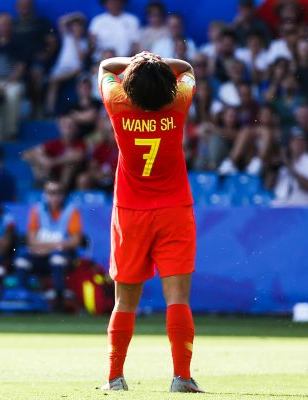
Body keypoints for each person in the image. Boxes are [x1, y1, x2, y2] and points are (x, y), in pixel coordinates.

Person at [98, 51, 203, 392]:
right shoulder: (179, 103)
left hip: (130, 213)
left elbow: (105, 67)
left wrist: (137, 60)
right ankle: (182, 377)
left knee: (124, 302)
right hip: (174, 211)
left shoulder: (117, 103)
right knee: (178, 300)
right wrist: (156, 62)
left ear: (130, 84)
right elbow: (186, 68)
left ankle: (115, 378)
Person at [13, 180, 83, 308]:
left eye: (58, 192)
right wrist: (56, 245)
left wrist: (47, 247)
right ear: (45, 194)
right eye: (51, 192)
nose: (54, 196)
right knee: (21, 260)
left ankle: (58, 302)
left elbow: (75, 241)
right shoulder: (37, 210)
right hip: (42, 255)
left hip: (62, 256)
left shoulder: (71, 211)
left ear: (63, 195)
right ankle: (25, 301)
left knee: (57, 259)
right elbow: (31, 240)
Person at [272, 126, 308, 207]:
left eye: (301, 141)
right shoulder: (285, 162)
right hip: (280, 205)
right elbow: (269, 186)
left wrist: (290, 168)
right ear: (290, 144)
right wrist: (273, 169)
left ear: (306, 144)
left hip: (302, 207)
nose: (297, 144)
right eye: (294, 140)